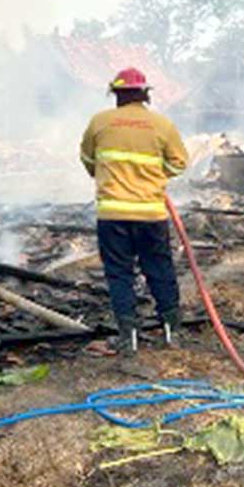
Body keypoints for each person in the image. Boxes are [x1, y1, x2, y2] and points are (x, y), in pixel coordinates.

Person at [80, 67, 189, 356]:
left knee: (119, 274)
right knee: (160, 268)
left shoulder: (99, 122)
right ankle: (171, 332)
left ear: (116, 94)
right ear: (145, 94)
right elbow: (179, 163)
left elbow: (88, 160)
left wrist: (108, 174)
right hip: (150, 213)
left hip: (112, 214)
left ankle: (128, 338)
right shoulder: (162, 125)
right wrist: (153, 176)